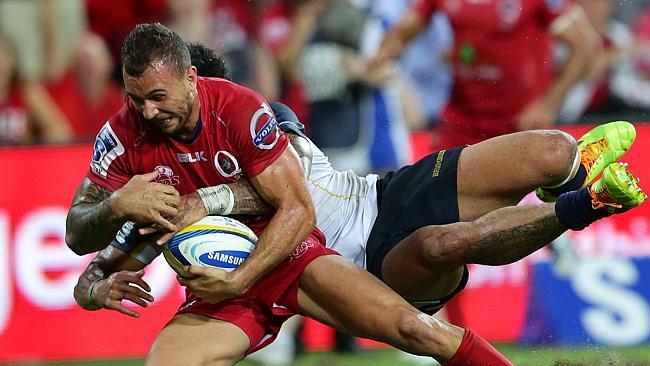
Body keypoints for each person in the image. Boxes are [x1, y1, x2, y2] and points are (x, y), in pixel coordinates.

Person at [65, 24, 514, 365]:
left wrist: (234, 260)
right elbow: (83, 253)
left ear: (191, 79)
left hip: (288, 257)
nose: (147, 111)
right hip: (222, 290)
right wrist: (115, 215)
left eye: (158, 97)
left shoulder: (244, 111)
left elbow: (297, 207)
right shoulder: (128, 146)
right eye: (134, 98)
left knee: (415, 331)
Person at [367, 0, 599, 150]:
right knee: (440, 208)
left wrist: (548, 105)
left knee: (521, 216)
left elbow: (585, 47)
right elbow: (402, 34)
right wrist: (375, 59)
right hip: (460, 122)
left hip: (519, 124)